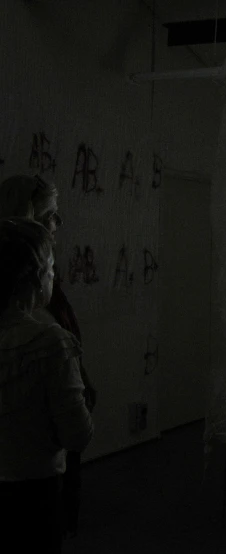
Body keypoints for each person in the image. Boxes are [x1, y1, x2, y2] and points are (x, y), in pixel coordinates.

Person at [0, 174, 97, 538]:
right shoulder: (43, 332)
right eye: (51, 214)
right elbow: (77, 434)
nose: (59, 223)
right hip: (36, 476)